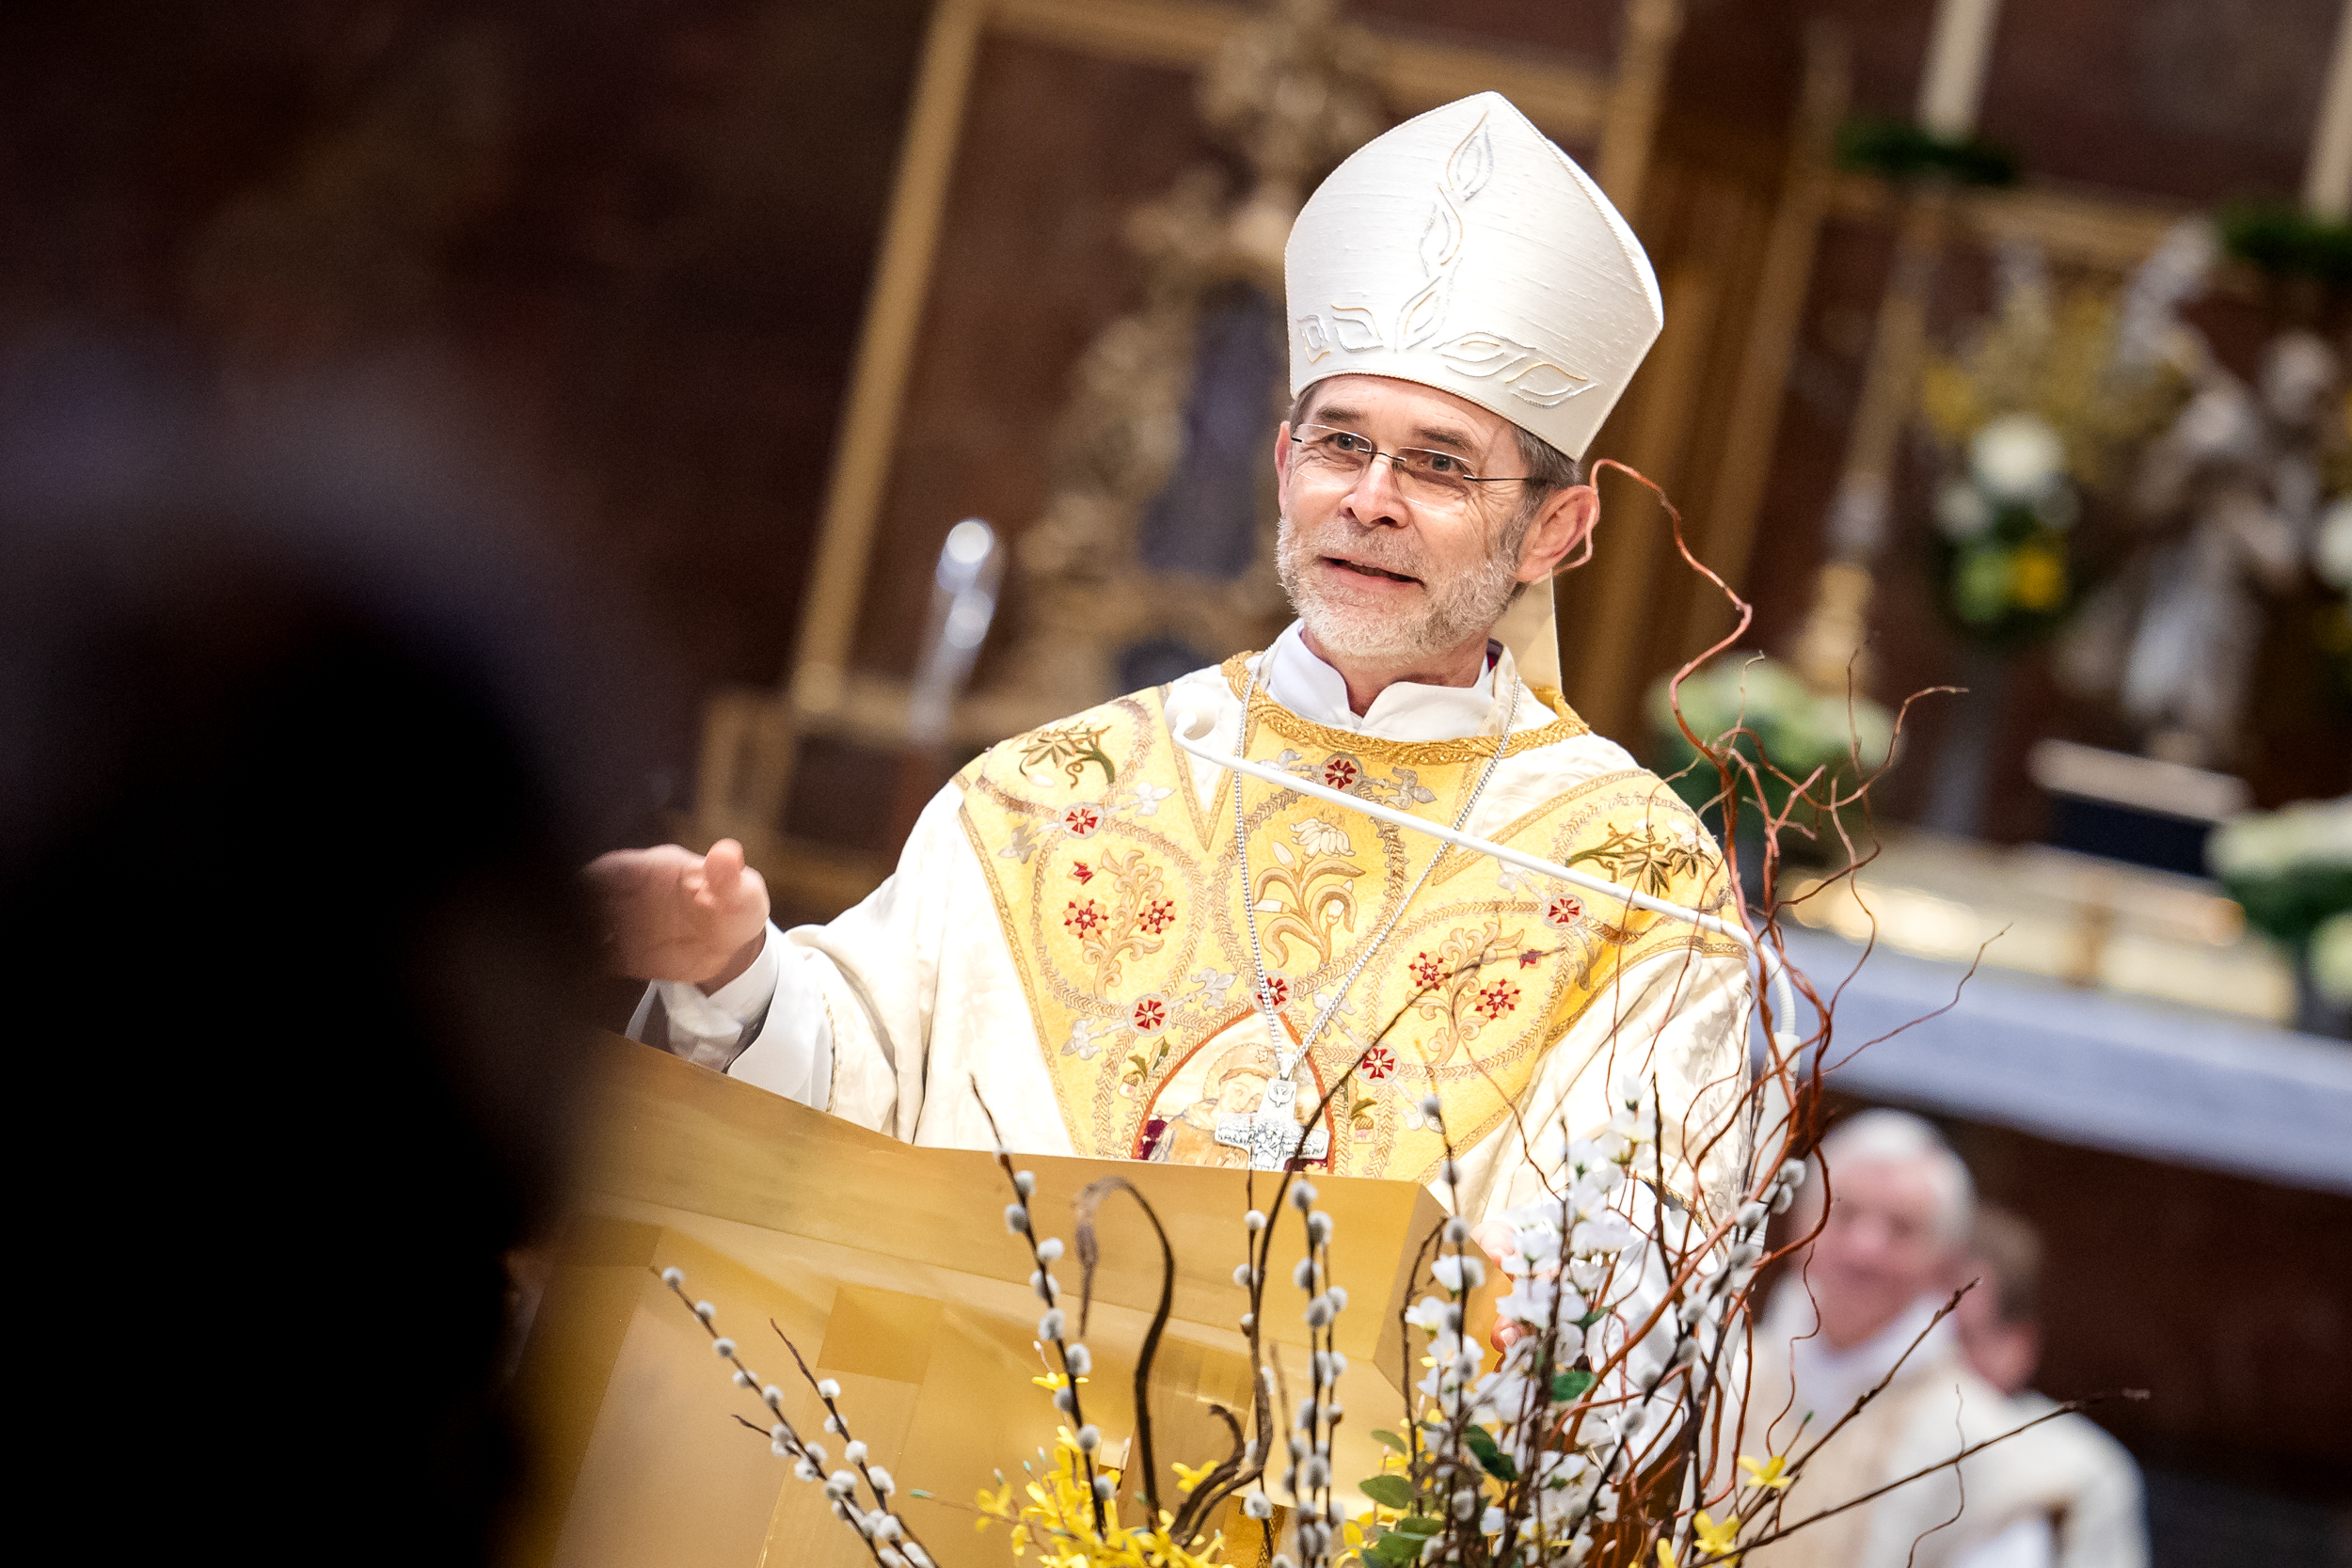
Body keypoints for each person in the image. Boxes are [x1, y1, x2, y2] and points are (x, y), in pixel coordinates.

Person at [587, 93, 1752, 1236]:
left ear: (1555, 530)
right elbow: (860, 1088)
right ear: (1283, 463)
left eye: (1439, 463)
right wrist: (731, 970)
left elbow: (1612, 1289)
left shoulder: (1635, 885)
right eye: (1339, 443)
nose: (1369, 499)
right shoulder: (1047, 794)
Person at [1741, 1111, 2100, 1568]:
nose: (1863, 1249)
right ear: (1799, 1228)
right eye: (1843, 1214)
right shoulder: (1723, 1379)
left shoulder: (1978, 1447)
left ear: (1945, 1262)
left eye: (1901, 1229)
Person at [1952, 1208, 2151, 1568]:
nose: (1934, 1358)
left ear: (2018, 1347)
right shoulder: (1862, 1418)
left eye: (1962, 1338)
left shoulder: (2084, 1476)